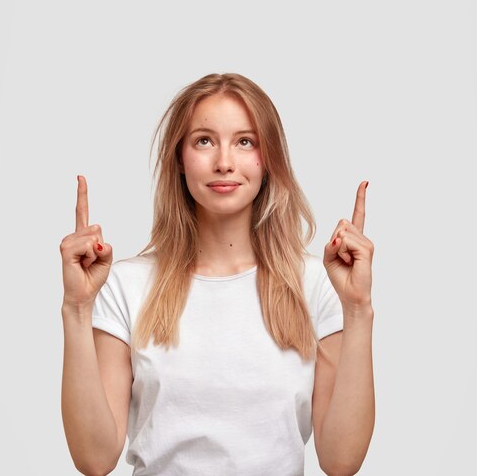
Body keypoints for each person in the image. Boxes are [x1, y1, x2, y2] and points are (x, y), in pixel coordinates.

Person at [61, 72, 375, 476]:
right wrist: (76, 308)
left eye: (245, 142)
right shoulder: (126, 285)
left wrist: (358, 309)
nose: (224, 162)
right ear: (180, 158)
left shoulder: (316, 284)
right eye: (204, 141)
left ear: (270, 159)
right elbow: (94, 458)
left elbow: (340, 460)